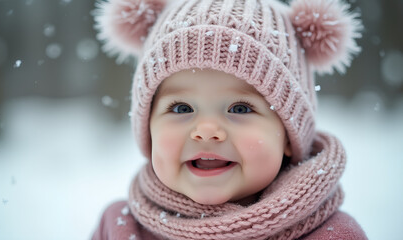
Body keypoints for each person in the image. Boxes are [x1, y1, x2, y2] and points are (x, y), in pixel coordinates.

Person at [92, 0, 367, 239]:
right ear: (148, 128)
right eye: (181, 108)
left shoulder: (335, 235)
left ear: (288, 134)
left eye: (239, 109)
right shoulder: (119, 227)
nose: (207, 131)